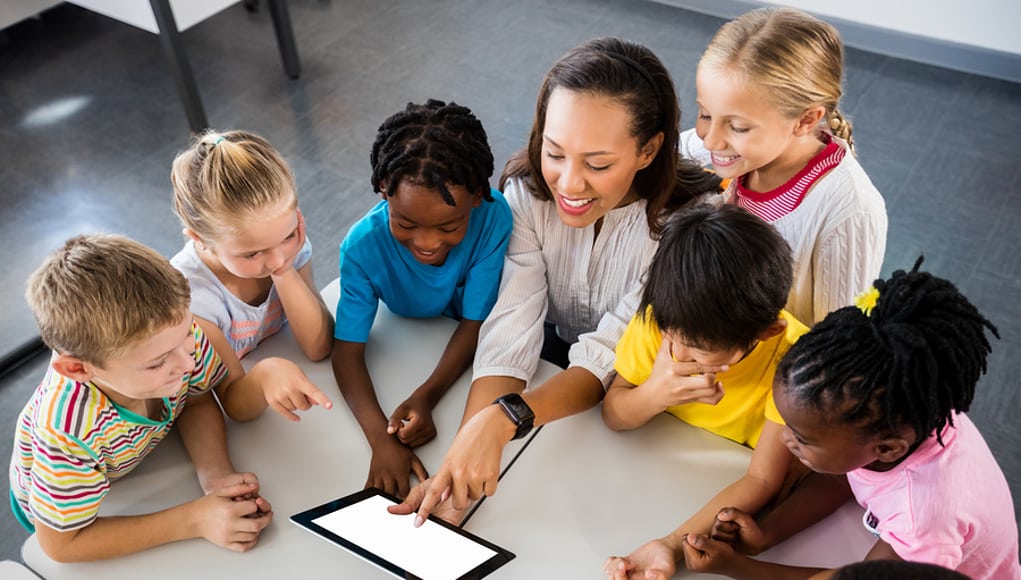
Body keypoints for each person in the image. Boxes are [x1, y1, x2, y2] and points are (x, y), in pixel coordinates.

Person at [390, 37, 722, 523]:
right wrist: (462, 460)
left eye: (598, 164)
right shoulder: (525, 193)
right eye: (555, 152)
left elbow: (604, 357)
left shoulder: (690, 225)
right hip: (552, 356)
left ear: (649, 149)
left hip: (632, 389)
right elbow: (512, 328)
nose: (568, 184)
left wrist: (504, 421)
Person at [678, 259, 1021, 580]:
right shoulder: (900, 415)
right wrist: (769, 532)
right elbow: (845, 478)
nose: (785, 439)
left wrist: (738, 567)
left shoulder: (922, 516)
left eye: (803, 438)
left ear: (887, 449)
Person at [603, 204, 848, 578]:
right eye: (672, 335)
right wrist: (656, 394)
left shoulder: (797, 365)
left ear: (769, 331)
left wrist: (671, 544)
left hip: (724, 483)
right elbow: (614, 414)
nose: (677, 353)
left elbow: (762, 479)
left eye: (698, 347)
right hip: (647, 474)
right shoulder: (663, 319)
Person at [10, 234, 273, 562]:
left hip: (133, 461)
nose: (187, 363)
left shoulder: (174, 340)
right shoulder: (66, 431)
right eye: (157, 362)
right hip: (63, 505)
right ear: (78, 369)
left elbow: (197, 398)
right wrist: (193, 520)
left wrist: (215, 475)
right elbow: (62, 544)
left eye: (187, 338)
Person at [331, 99, 512, 497]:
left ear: (479, 196)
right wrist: (382, 438)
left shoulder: (495, 217)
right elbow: (346, 351)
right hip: (408, 344)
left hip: (459, 348)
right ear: (383, 191)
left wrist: (426, 396)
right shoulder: (361, 248)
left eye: (449, 225)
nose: (428, 243)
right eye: (405, 223)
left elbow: (474, 322)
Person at [679, 7, 887, 326]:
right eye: (705, 114)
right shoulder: (731, 149)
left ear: (805, 120)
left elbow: (837, 346)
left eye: (737, 126)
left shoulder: (851, 210)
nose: (710, 141)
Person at [171, 130, 334, 422]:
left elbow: (319, 345)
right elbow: (234, 403)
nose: (277, 258)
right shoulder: (193, 297)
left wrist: (285, 273)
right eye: (251, 254)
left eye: (287, 236)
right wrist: (266, 375)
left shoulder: (285, 248)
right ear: (199, 239)